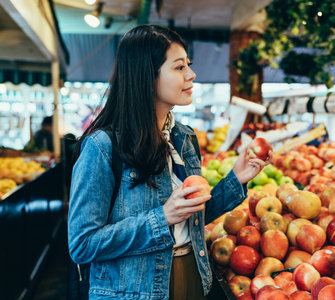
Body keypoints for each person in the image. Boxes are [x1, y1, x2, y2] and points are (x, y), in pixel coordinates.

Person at [68, 24, 270, 300]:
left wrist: (237, 178)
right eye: (179, 67)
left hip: (193, 277)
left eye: (189, 64)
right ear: (147, 76)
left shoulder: (183, 138)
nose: (192, 74)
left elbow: (192, 218)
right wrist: (162, 218)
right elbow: (83, 244)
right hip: (134, 291)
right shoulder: (103, 147)